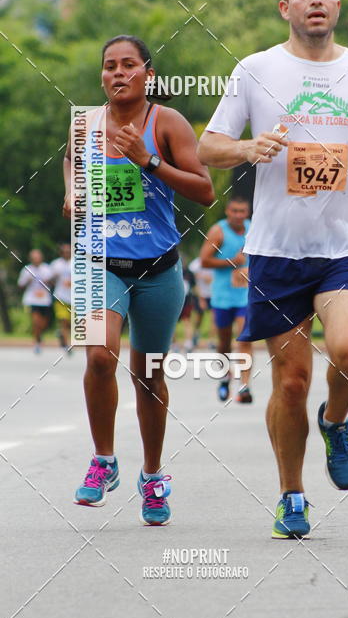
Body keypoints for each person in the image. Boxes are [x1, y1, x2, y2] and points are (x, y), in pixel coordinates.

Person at [197, 0, 348, 538]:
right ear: (285, 7)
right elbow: (207, 146)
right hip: (277, 251)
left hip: (347, 246)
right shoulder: (255, 69)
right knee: (290, 383)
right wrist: (247, 149)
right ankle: (292, 495)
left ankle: (335, 420)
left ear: (337, 4)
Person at [63, 35, 214, 525]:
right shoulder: (85, 123)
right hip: (98, 262)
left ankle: (151, 476)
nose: (118, 73)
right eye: (110, 65)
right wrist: (71, 191)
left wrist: (148, 160)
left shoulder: (166, 122)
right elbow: (71, 160)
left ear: (148, 73)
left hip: (158, 270)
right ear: (102, 75)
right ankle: (103, 460)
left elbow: (206, 191)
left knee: (148, 375)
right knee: (99, 355)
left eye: (128, 64)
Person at [200, 198, 253, 403]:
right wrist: (232, 262)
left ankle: (244, 387)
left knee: (244, 338)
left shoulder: (253, 229)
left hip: (245, 295)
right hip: (222, 296)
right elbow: (204, 260)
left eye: (242, 211)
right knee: (224, 342)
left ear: (247, 213)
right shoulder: (218, 232)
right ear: (227, 212)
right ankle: (224, 378)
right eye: (234, 211)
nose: (238, 215)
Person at [17, 249, 53, 353]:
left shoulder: (47, 268)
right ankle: (37, 343)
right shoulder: (27, 270)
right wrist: (27, 281)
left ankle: (39, 336)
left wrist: (49, 281)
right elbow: (20, 285)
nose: (36, 260)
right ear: (31, 259)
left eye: (38, 257)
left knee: (44, 323)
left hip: (45, 300)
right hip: (32, 300)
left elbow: (53, 282)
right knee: (36, 321)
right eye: (34, 258)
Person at [188, 255, 216, 348]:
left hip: (213, 294)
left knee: (214, 319)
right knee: (198, 318)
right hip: (201, 294)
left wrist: (211, 279)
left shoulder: (217, 260)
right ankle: (195, 336)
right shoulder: (196, 263)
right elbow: (194, 282)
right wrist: (201, 298)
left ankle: (211, 340)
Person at [49, 243, 72, 353]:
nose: (67, 253)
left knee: (71, 323)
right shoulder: (55, 264)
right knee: (64, 320)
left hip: (75, 298)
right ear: (61, 253)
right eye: (65, 252)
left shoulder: (78, 263)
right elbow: (49, 280)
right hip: (60, 297)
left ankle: (61, 334)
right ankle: (66, 345)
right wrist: (54, 278)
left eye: (69, 251)